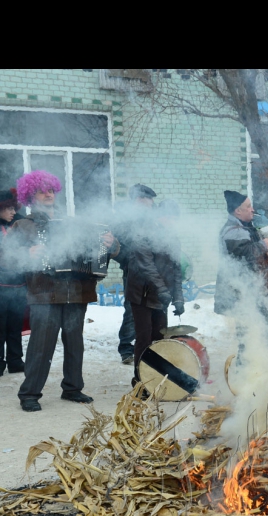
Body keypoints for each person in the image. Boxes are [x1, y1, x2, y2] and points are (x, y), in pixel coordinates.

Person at [11, 171, 119, 412]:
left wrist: (111, 244)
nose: (48, 193)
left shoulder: (73, 223)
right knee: (41, 344)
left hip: (77, 291)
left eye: (51, 189)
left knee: (75, 342)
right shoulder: (23, 225)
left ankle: (72, 387)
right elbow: (7, 257)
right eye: (41, 190)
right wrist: (27, 254)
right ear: (31, 195)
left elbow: (102, 248)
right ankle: (29, 393)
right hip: (44, 293)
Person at [126, 198, 184, 389]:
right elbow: (147, 267)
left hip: (161, 295)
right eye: (171, 218)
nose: (174, 223)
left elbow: (177, 269)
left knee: (160, 337)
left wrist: (178, 298)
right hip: (141, 295)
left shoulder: (173, 238)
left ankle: (156, 378)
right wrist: (163, 290)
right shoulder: (144, 233)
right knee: (144, 338)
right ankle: (140, 381)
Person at [113, 183, 158, 365]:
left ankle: (145, 343)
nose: (151, 203)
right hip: (133, 273)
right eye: (148, 199)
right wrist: (130, 261)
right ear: (139, 200)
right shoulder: (124, 221)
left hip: (152, 272)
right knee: (132, 309)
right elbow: (116, 249)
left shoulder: (150, 220)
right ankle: (126, 347)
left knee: (150, 308)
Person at [214, 190, 268, 316]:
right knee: (247, 328)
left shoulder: (244, 227)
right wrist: (262, 245)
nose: (252, 209)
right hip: (239, 292)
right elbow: (243, 254)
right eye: (248, 207)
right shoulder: (233, 231)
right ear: (238, 211)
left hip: (249, 288)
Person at [0, 189, 27, 377]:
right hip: (0, 287)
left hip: (19, 286)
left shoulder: (18, 226)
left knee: (15, 327)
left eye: (13, 208)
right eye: (8, 208)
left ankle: (15, 361)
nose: (12, 212)